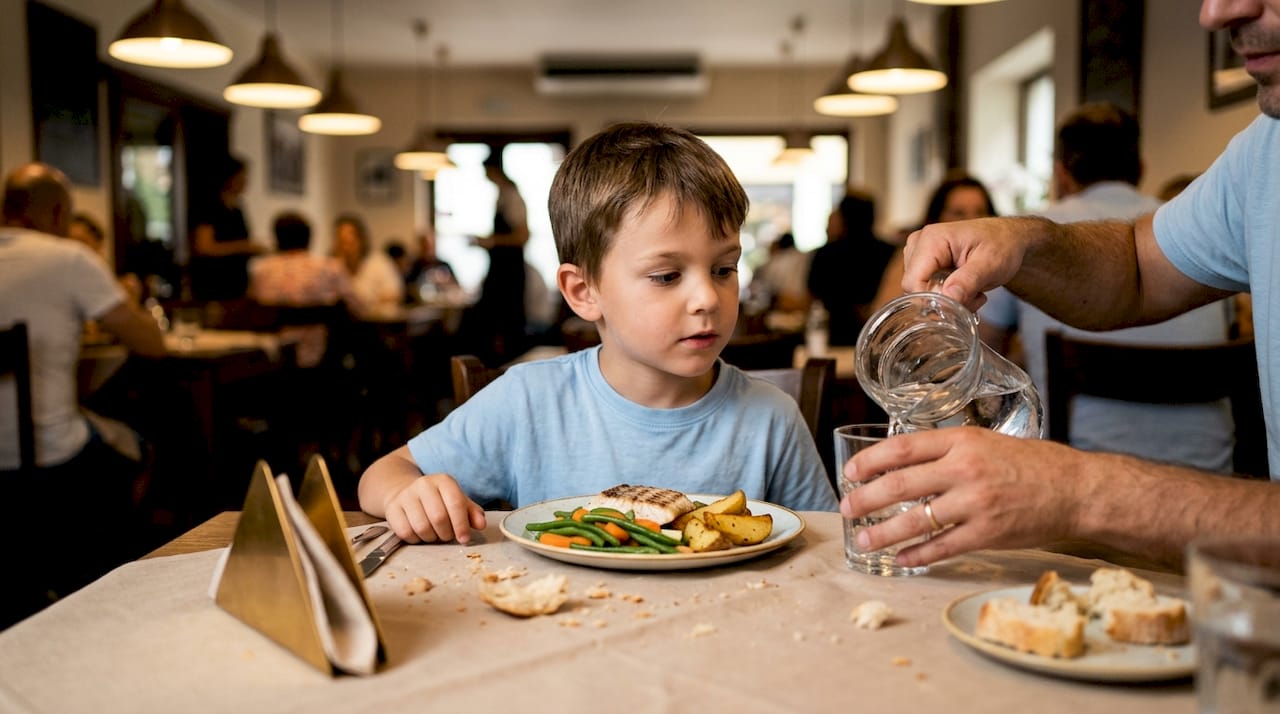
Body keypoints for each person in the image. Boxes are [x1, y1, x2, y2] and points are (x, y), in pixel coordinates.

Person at [839, 0, 1280, 572]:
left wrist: (1077, 491)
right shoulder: (1265, 148)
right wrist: (1023, 240)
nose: (1217, 12)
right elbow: (1138, 268)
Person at [358, 122, 838, 544]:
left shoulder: (772, 418)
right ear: (584, 291)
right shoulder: (528, 402)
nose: (708, 299)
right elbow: (382, 474)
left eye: (724, 268)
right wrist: (408, 493)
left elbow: (823, 544)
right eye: (667, 276)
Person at [980, 103, 1235, 472]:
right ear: (1141, 168)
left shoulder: (1023, 235)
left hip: (1075, 492)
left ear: (1060, 174)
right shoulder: (1192, 228)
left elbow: (985, 365)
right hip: (1213, 487)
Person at [0, 162, 166, 624]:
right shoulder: (69, 258)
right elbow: (150, 344)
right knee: (141, 446)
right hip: (51, 457)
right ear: (58, 216)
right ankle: (107, 576)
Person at [870, 173, 998, 314]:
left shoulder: (1001, 263)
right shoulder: (915, 257)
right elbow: (884, 312)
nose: (971, 221)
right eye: (958, 213)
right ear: (937, 219)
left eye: (980, 212)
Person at [249, 212, 362, 367]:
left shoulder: (261, 271)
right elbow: (358, 308)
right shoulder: (330, 267)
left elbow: (253, 310)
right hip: (325, 359)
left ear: (276, 239)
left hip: (273, 361)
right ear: (309, 238)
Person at [805, 190, 895, 346]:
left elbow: (812, 291)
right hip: (879, 337)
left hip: (835, 334)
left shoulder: (827, 253)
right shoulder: (889, 251)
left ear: (843, 217)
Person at [467, 152, 531, 362]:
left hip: (509, 271)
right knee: (491, 321)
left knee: (507, 322)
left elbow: (522, 236)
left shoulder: (512, 196)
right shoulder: (502, 195)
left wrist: (492, 241)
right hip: (500, 269)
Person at [189, 156, 263, 301]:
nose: (245, 181)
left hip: (235, 282)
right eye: (241, 176)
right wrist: (243, 247)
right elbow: (204, 246)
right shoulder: (209, 207)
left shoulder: (237, 209)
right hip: (213, 281)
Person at [333, 213, 404, 312]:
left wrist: (368, 301)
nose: (345, 249)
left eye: (349, 243)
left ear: (361, 241)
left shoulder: (379, 263)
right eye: (341, 243)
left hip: (376, 323)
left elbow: (395, 294)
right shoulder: (333, 266)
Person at [750, 232, 812, 313]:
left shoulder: (776, 262)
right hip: (803, 304)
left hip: (786, 304)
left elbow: (766, 288)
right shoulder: (803, 257)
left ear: (777, 247)